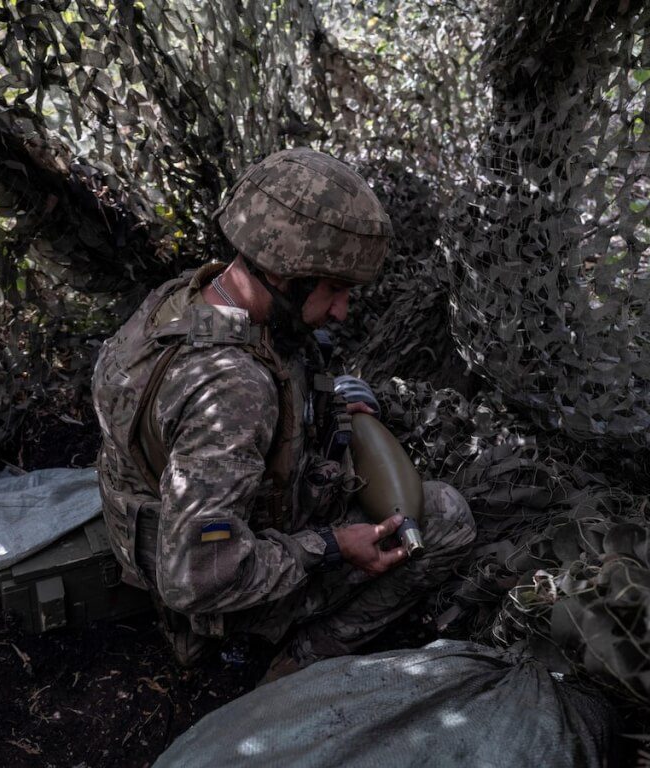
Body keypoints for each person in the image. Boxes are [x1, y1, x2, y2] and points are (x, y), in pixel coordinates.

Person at [92, 148, 476, 678]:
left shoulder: (185, 298)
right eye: (333, 288)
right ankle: (294, 665)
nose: (342, 310)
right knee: (447, 516)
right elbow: (196, 579)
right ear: (282, 271)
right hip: (218, 596)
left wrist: (325, 405)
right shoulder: (233, 391)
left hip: (169, 533)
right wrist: (332, 546)